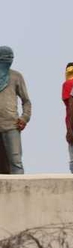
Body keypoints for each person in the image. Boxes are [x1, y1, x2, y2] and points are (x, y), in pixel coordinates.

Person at [0, 46, 31, 174]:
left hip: (11, 125)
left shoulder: (16, 76)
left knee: (16, 162)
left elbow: (26, 101)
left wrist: (24, 118)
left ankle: (20, 192)